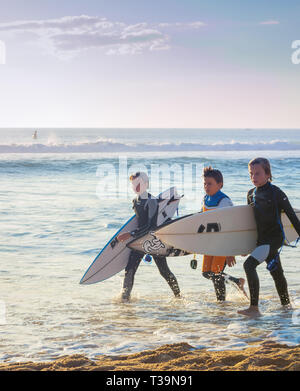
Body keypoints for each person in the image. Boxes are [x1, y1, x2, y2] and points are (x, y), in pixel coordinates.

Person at [238, 157, 300, 317]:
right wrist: (247, 246)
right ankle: (287, 307)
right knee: (277, 272)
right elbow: (251, 225)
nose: (254, 177)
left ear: (267, 174)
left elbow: (293, 218)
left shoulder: (276, 193)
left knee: (248, 266)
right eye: (251, 174)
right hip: (261, 241)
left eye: (257, 173)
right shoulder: (251, 194)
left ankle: (254, 308)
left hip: (274, 239)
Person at [117, 171, 181, 302]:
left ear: (146, 184)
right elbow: (138, 222)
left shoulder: (151, 201)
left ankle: (178, 296)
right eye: (134, 184)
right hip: (139, 241)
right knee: (130, 269)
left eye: (139, 183)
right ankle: (125, 299)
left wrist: (130, 234)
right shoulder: (135, 201)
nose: (136, 186)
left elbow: (150, 226)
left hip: (153, 240)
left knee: (164, 271)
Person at [201, 166, 247, 301]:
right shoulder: (205, 199)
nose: (206, 186)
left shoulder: (224, 201)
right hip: (210, 242)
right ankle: (237, 282)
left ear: (220, 185)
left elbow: (229, 227)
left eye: (210, 184)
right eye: (204, 183)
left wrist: (229, 251)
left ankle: (221, 304)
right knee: (206, 273)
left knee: (216, 274)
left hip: (222, 243)